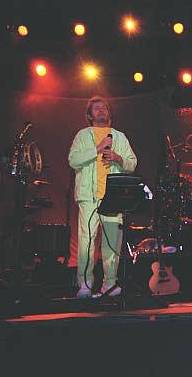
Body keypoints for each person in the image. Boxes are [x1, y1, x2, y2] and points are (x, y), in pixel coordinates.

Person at [68, 96, 137, 298]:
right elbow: (73, 160)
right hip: (88, 196)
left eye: (104, 107)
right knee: (86, 241)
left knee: (113, 243)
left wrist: (117, 158)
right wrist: (97, 149)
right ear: (89, 115)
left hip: (112, 197)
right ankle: (85, 284)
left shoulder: (119, 137)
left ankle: (110, 284)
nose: (101, 110)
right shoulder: (83, 135)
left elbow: (132, 163)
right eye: (96, 108)